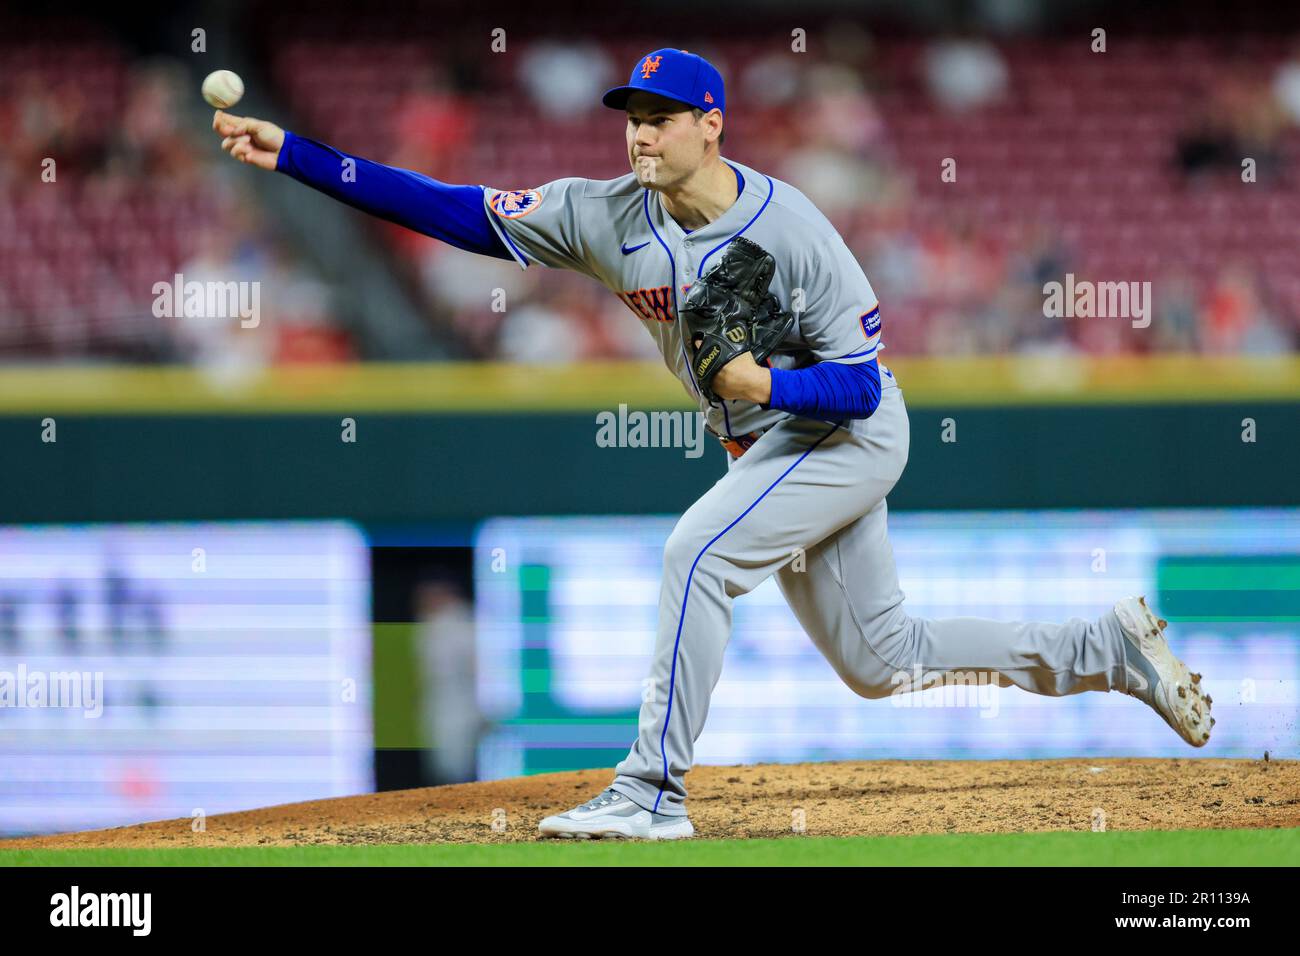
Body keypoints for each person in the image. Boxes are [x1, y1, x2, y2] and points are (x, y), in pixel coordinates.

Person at [213, 47, 1213, 841]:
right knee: (880, 657)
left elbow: (862, 380)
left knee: (697, 551)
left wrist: (761, 383)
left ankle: (651, 791)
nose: (640, 134)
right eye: (631, 117)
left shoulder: (794, 227)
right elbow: (455, 210)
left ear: (709, 125)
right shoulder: (603, 215)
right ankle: (1107, 648)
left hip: (844, 431)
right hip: (763, 448)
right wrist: (295, 153)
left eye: (658, 118)